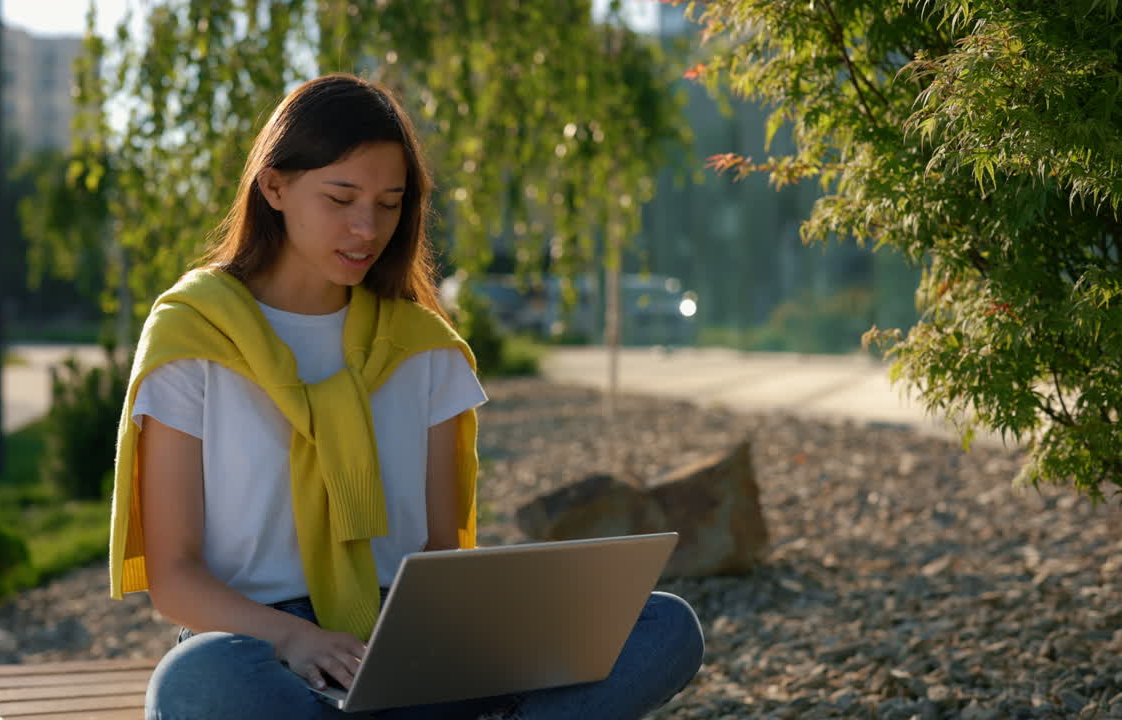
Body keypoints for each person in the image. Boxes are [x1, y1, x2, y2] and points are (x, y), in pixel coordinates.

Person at [107, 73, 704, 719]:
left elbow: (442, 557)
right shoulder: (192, 337)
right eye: (341, 198)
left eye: (389, 204)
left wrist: (457, 646)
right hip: (262, 649)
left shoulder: (424, 349)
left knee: (662, 628)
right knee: (197, 678)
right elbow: (174, 577)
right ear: (274, 185)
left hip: (406, 646)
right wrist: (295, 637)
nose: (367, 227)